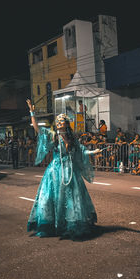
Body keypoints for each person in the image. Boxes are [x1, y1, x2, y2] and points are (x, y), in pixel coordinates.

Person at [26, 99, 101, 239]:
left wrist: (93, 152)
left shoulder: (72, 139)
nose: (61, 125)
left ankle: (70, 224)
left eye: (63, 123)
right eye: (59, 123)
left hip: (71, 173)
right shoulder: (53, 136)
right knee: (50, 198)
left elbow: (81, 151)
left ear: (67, 124)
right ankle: (52, 224)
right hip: (55, 173)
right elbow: (37, 129)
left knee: (73, 199)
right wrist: (32, 112)